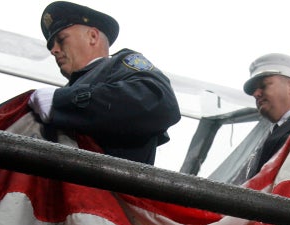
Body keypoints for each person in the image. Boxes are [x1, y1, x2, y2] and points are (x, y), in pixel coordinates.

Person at [28, 1, 181, 165]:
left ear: (93, 36)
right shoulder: (64, 93)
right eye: (51, 45)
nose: (53, 50)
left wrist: (62, 101)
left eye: (61, 39)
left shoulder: (120, 64)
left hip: (109, 187)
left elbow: (158, 102)